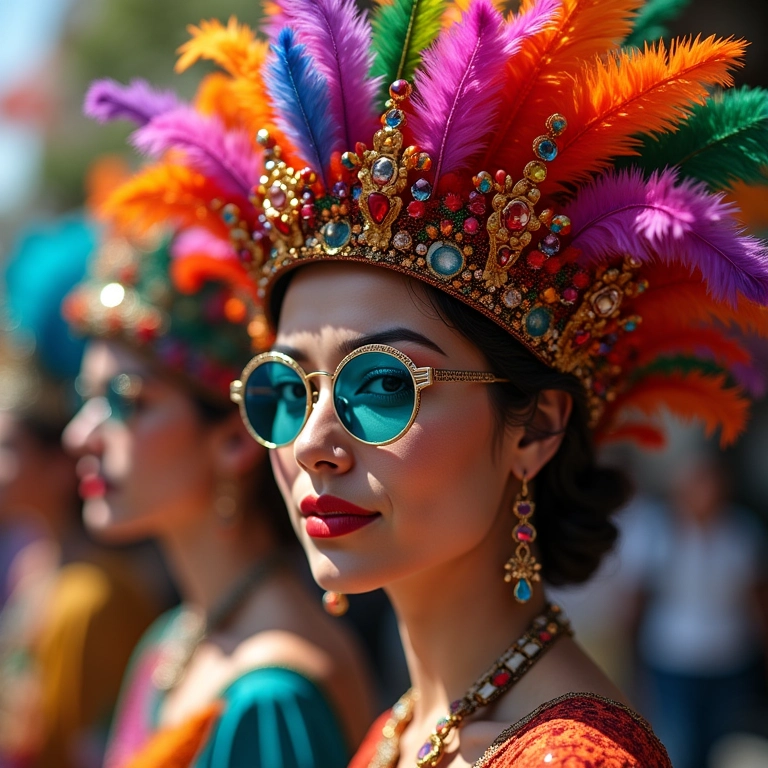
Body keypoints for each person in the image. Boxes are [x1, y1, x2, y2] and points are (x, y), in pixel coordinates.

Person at [90, 0, 768, 764]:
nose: (313, 444)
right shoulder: (407, 730)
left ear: (536, 428)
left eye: (381, 387)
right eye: (285, 387)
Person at [62, 225, 373, 767]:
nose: (79, 435)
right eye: (86, 398)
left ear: (234, 438)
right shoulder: (172, 642)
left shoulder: (274, 698)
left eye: (126, 401)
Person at [0, 217, 159, 768]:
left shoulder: (92, 600)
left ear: (55, 466)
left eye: (7, 447)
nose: (81, 436)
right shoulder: (29, 564)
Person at [624, 457, 768, 768]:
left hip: (730, 659)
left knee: (723, 743)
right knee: (680, 743)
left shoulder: (742, 533)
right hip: (672, 659)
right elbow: (639, 599)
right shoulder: (659, 534)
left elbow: (757, 600)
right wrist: (633, 658)